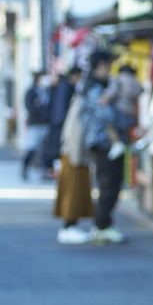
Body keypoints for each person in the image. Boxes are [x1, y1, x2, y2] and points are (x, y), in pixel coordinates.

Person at [86, 60, 141, 245]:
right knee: (108, 185)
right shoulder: (95, 88)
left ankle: (104, 224)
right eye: (106, 67)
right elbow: (104, 114)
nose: (108, 70)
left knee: (112, 185)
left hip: (110, 143)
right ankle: (101, 226)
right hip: (105, 144)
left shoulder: (107, 85)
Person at [53, 67, 96, 244]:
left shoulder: (76, 98)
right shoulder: (80, 101)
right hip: (74, 154)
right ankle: (69, 226)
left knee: (74, 192)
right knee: (73, 192)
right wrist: (77, 154)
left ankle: (71, 226)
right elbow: (75, 129)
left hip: (72, 152)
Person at [20, 71, 54, 180]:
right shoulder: (31, 92)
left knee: (46, 150)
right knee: (32, 148)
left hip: (46, 124)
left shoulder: (48, 91)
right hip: (35, 124)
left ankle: (45, 171)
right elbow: (29, 107)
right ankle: (25, 168)